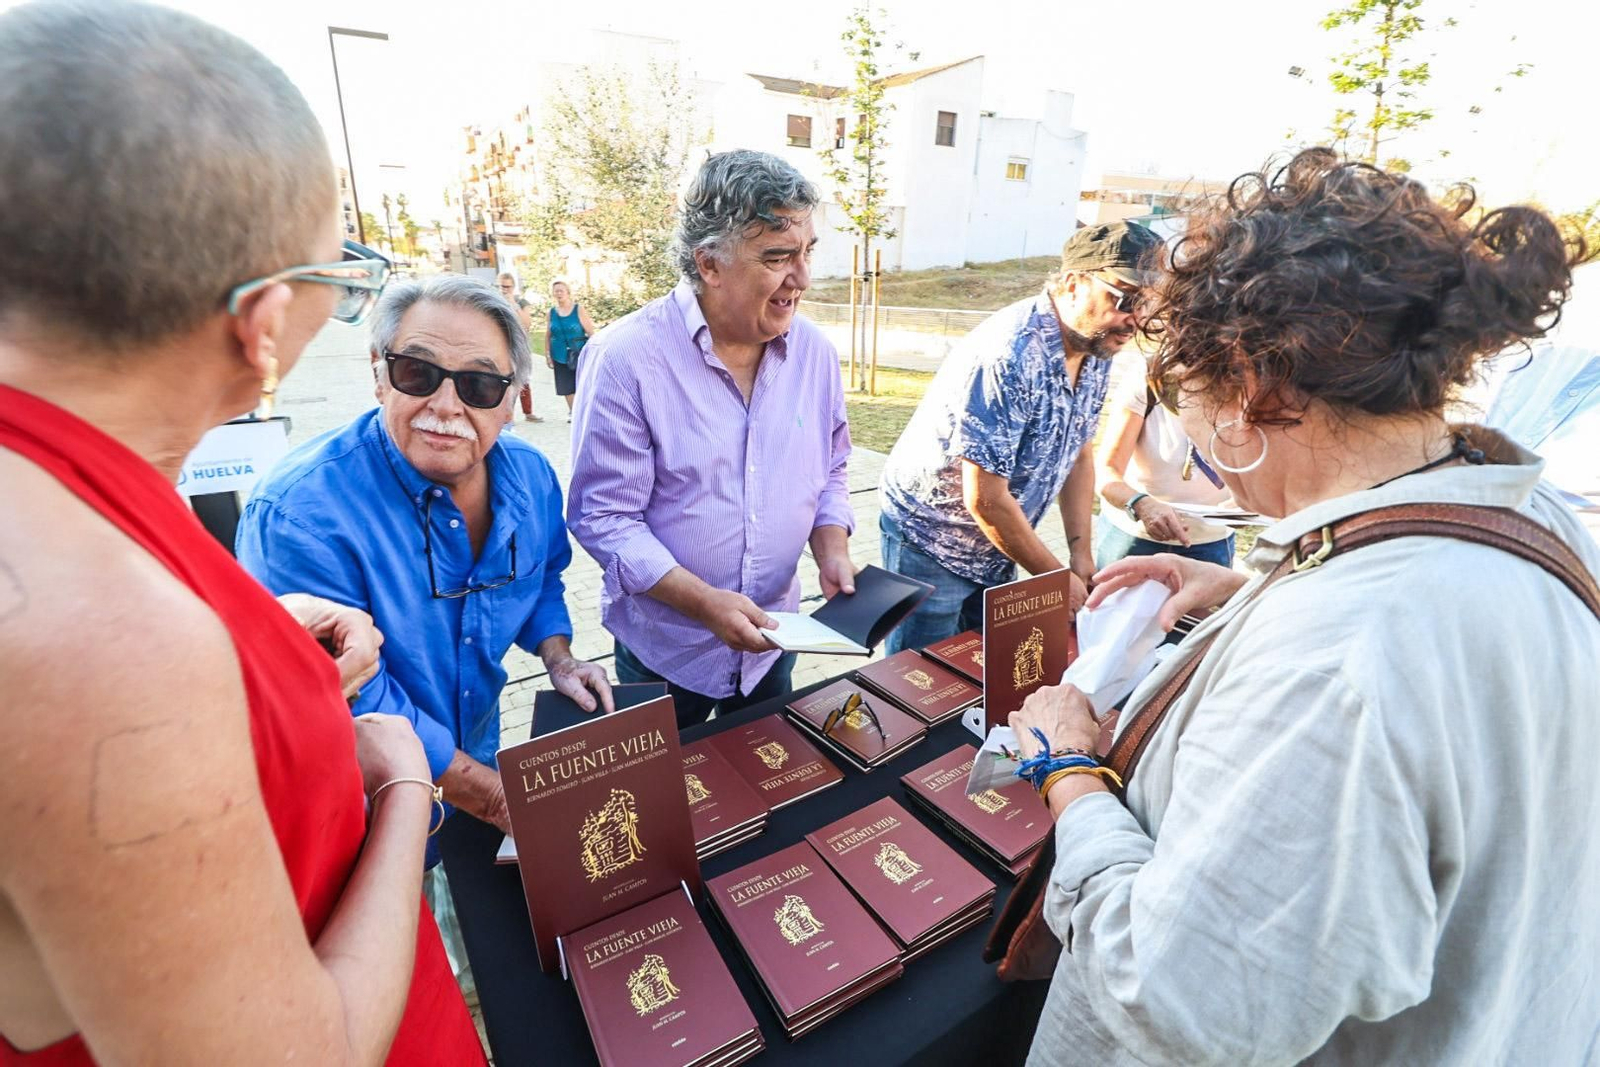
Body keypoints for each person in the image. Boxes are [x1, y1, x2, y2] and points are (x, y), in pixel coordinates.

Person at [1009, 149, 1600, 1065]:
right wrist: (1250, 594)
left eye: (1182, 392)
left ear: (1254, 386)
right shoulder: (1531, 513)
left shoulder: (1336, 667)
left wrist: (1067, 769)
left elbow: (1177, 995)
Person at [0, 2, 484, 1063]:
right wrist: (401, 780)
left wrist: (254, 624)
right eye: (341, 279)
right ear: (264, 325)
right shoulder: (99, 644)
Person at [238, 275, 614, 840]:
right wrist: (491, 797)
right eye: (417, 373)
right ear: (378, 375)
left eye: (480, 385)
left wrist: (559, 657)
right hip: (362, 811)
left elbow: (541, 582)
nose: (445, 405)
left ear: (512, 400)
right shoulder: (299, 515)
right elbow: (349, 693)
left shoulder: (531, 477)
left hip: (478, 758)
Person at [567, 150, 855, 729]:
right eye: (777, 258)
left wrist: (832, 549)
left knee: (771, 788)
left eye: (806, 252)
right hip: (668, 655)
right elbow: (605, 517)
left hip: (775, 641)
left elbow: (834, 466)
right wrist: (705, 602)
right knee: (676, 804)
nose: (802, 279)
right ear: (709, 264)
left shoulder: (816, 355)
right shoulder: (626, 359)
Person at [877, 221, 1162, 653]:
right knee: (921, 685)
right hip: (931, 543)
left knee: (983, 675)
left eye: (1149, 304)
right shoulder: (1009, 354)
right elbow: (986, 499)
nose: (1135, 320)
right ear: (1072, 284)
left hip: (996, 541)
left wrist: (1080, 553)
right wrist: (1053, 579)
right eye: (1125, 299)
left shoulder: (1096, 344)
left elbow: (1078, 453)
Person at [1092, 346, 1236, 568]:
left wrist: (1247, 503)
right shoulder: (1149, 376)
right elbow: (1106, 471)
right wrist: (1141, 504)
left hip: (1211, 543)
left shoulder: (1256, 383)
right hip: (1132, 538)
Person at [546, 280, 596, 420]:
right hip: (559, 354)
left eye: (561, 290)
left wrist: (594, 351)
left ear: (568, 292)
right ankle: (574, 412)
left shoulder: (578, 309)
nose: (559, 293)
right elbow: (548, 334)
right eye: (556, 291)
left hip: (578, 353)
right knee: (565, 386)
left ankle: (584, 411)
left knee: (581, 383)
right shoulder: (551, 313)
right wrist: (548, 354)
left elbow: (590, 331)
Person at [498, 271, 543, 423]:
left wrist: (513, 304)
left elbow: (527, 323)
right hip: (500, 345)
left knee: (522, 379)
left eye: (508, 287)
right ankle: (505, 413)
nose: (504, 289)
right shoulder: (493, 299)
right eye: (502, 286)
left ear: (513, 287)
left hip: (518, 345)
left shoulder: (521, 302)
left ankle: (528, 412)